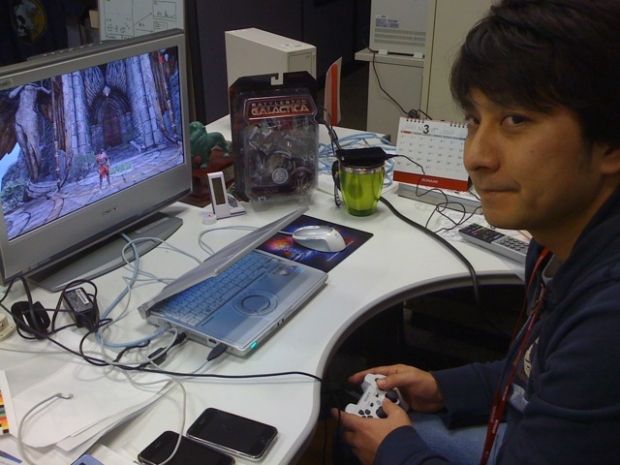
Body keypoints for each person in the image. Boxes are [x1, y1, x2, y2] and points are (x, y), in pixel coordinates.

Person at [333, 1, 620, 464]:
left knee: (360, 441)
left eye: (515, 120)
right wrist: (444, 387)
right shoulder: (557, 242)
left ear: (611, 143)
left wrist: (395, 453)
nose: (475, 157)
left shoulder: (608, 323)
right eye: (474, 120)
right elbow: (536, 371)